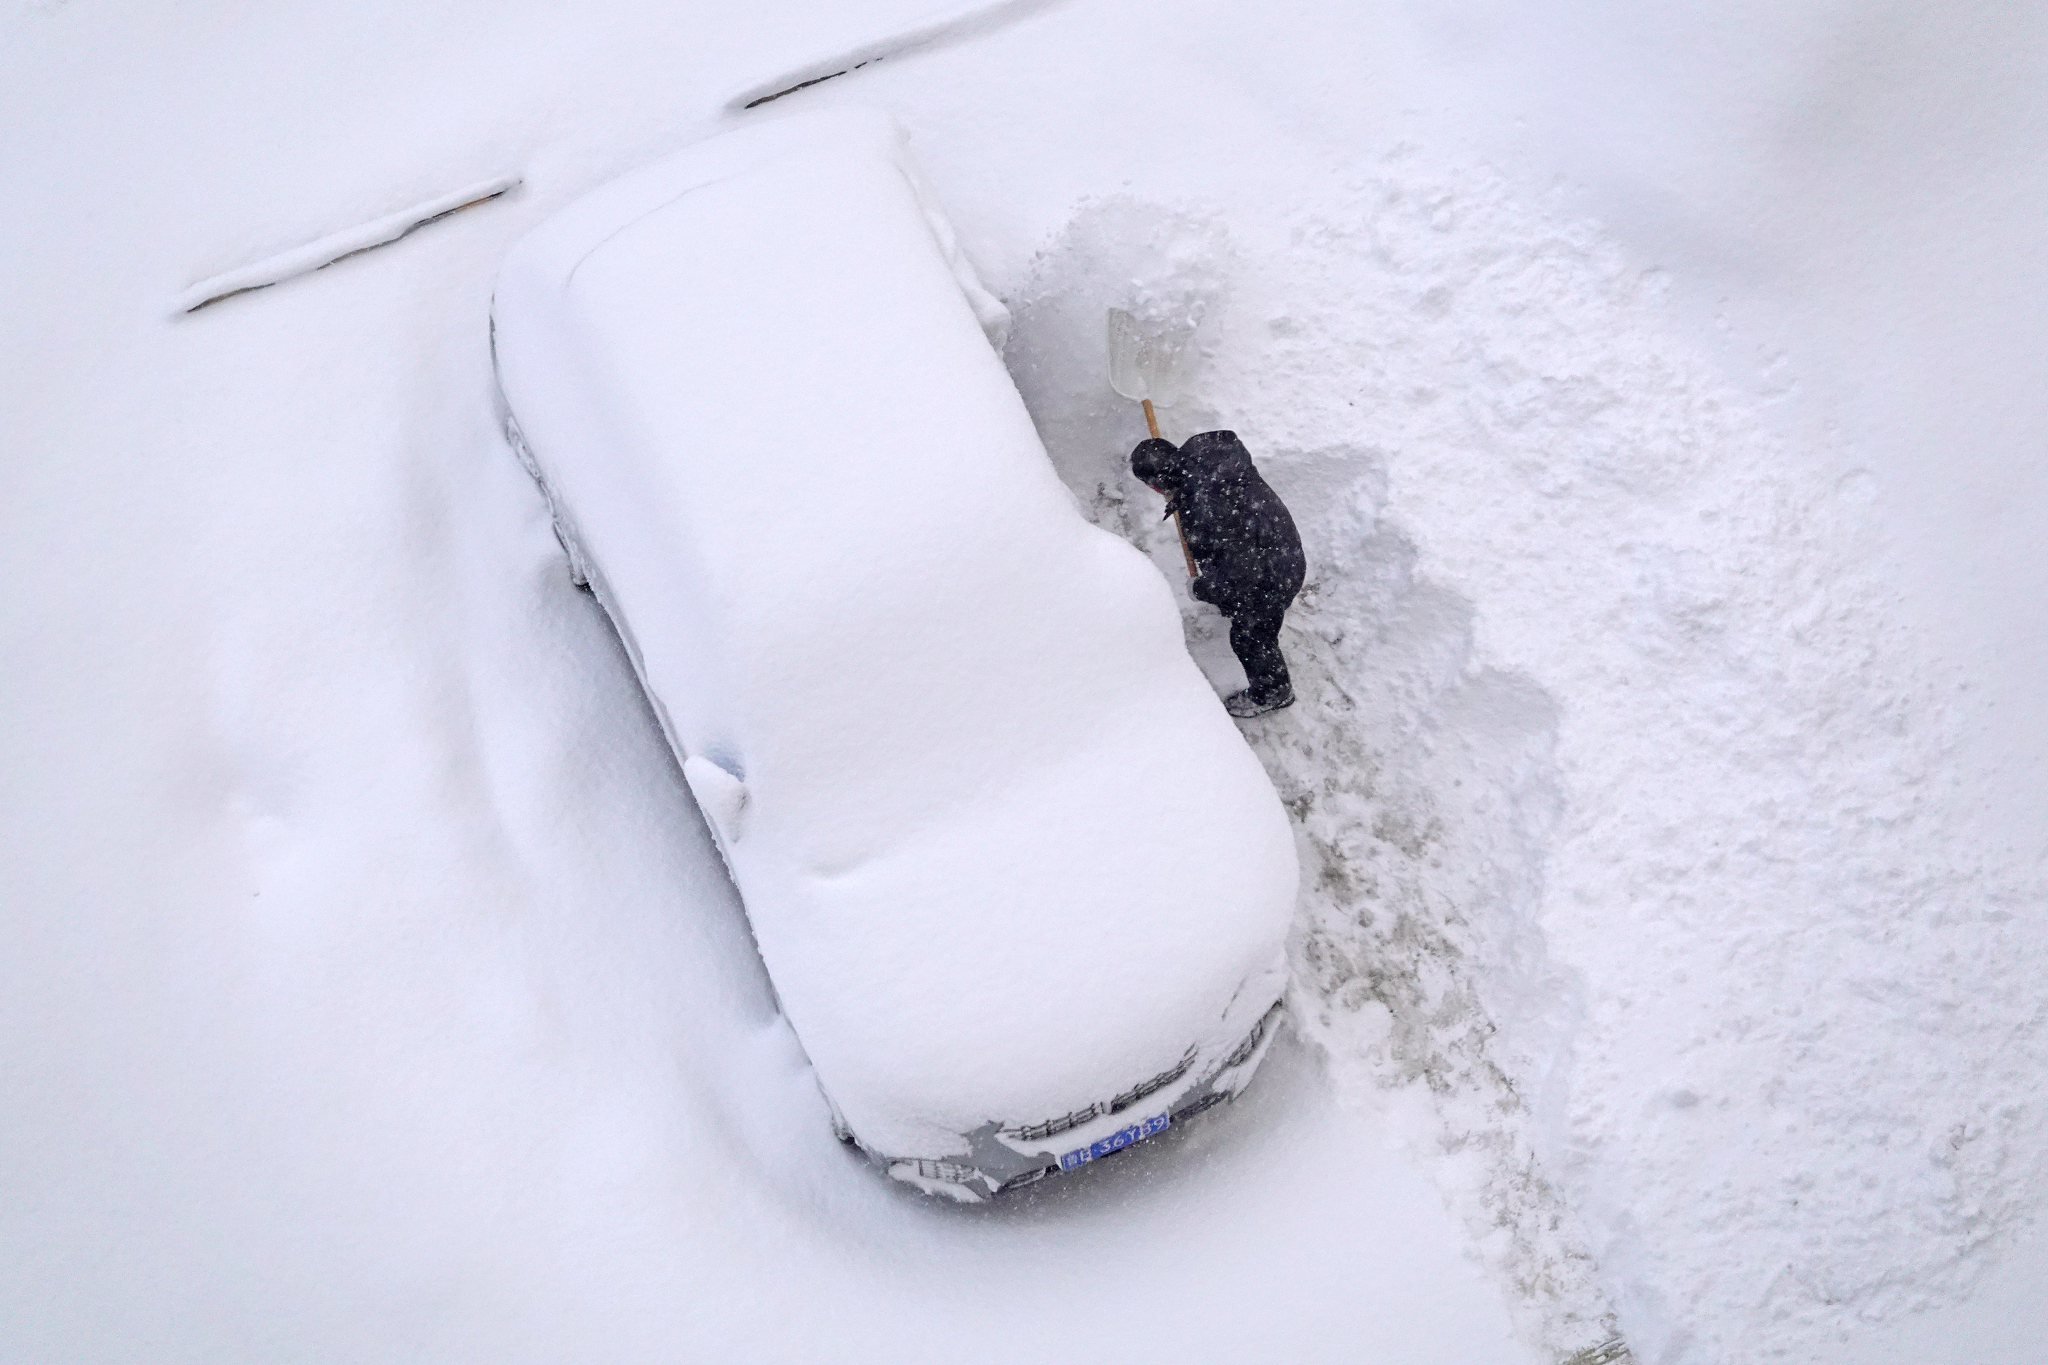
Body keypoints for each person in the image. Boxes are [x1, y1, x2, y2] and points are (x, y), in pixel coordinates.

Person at [1130, 430, 1306, 718]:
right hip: (1280, 543)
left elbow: (1241, 575)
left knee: (1249, 636)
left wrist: (1203, 588)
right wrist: (1183, 495)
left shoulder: (1205, 508)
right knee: (1248, 607)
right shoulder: (1208, 461)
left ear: (1155, 485)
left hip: (1273, 574)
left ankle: (1274, 693)